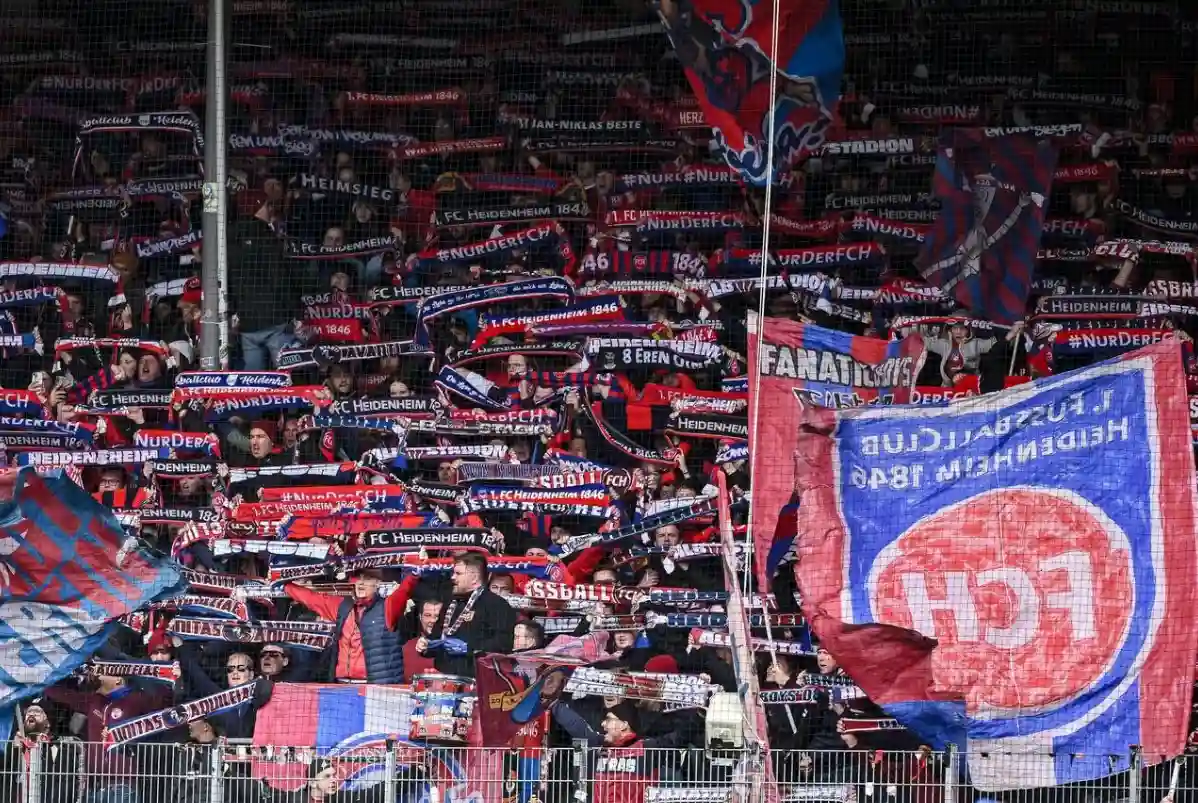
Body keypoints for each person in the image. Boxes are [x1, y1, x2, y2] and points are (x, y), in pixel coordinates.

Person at [285, 569, 419, 683]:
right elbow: (311, 598)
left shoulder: (386, 607)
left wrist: (414, 574)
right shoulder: (342, 606)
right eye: (358, 578)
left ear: (377, 583)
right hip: (342, 685)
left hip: (375, 686)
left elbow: (403, 592)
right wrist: (284, 586)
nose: (360, 583)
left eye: (367, 579)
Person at [417, 553, 518, 677]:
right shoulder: (450, 601)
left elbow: (504, 644)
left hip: (477, 680)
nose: (453, 578)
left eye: (458, 574)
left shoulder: (497, 605)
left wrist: (469, 648)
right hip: (444, 679)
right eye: (453, 573)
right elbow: (437, 636)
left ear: (474, 578)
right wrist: (426, 646)